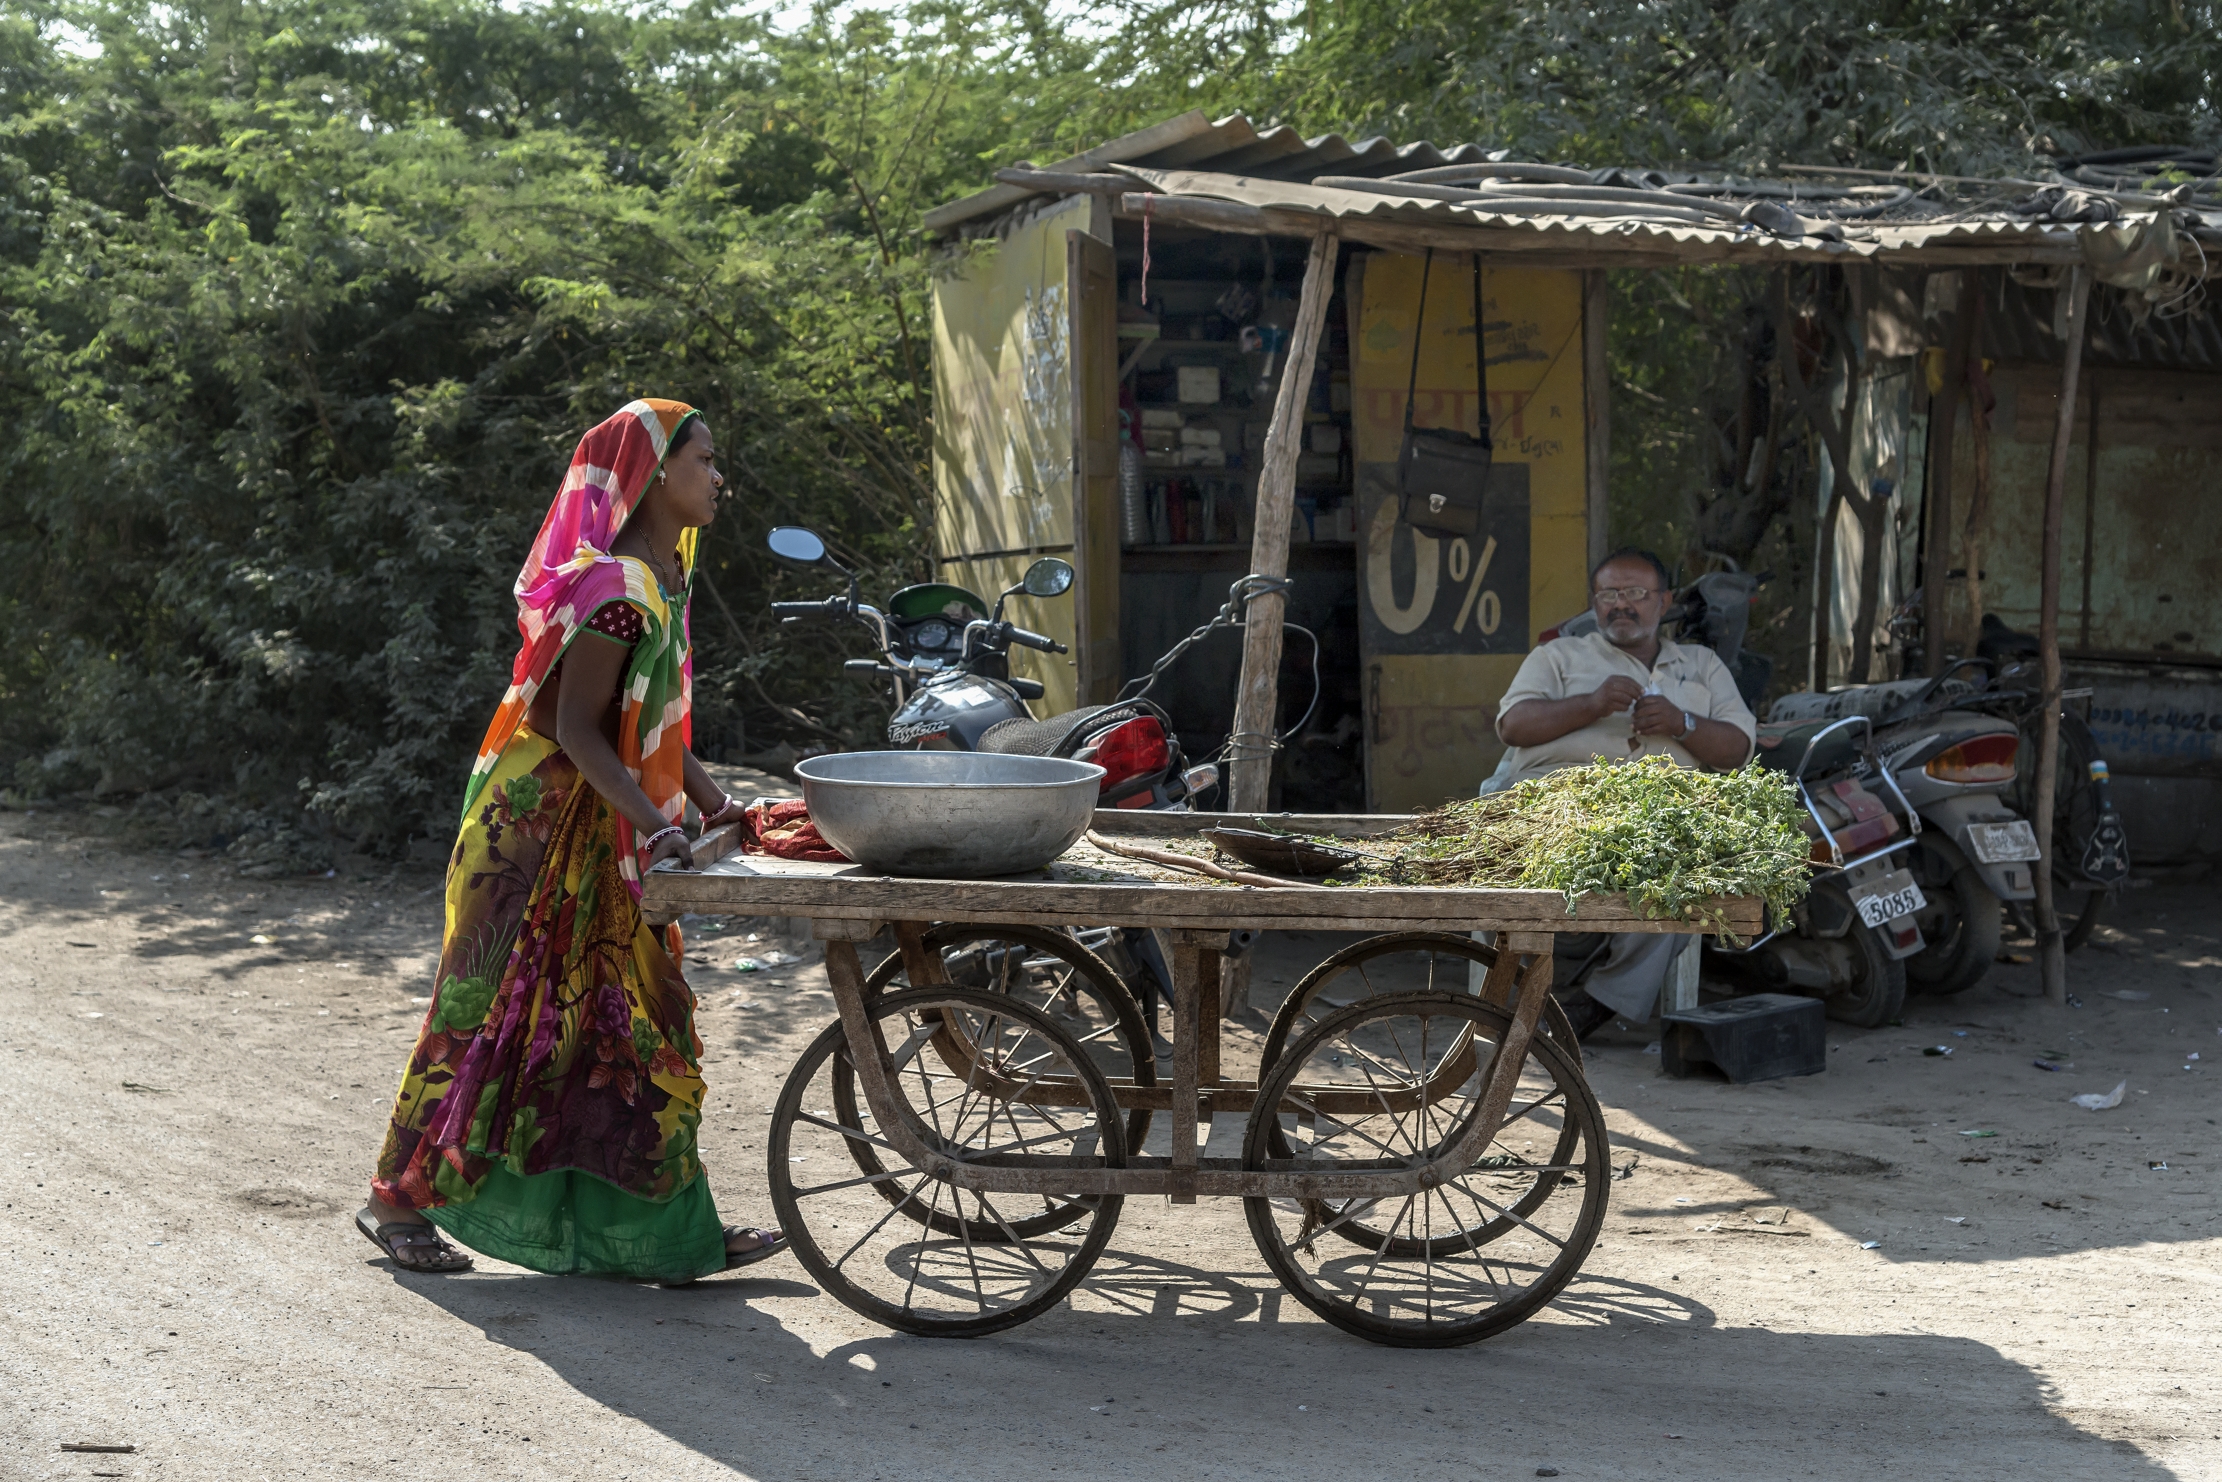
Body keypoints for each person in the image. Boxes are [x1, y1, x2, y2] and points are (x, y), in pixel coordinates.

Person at [355, 399, 786, 1280]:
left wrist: (716, 805)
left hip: (603, 825)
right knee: (481, 1018)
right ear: (657, 473)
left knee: (620, 1026)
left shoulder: (660, 577)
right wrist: (664, 824)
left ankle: (666, 1235)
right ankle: (394, 1201)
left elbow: (652, 730)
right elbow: (579, 730)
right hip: (537, 832)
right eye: (705, 460)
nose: (718, 478)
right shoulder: (619, 591)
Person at [1491, 548, 1758, 1037]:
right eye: (1609, 594)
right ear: (1594, 603)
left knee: (1688, 872)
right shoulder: (1558, 656)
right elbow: (1513, 726)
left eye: (1635, 593)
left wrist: (1684, 723)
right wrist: (1589, 705)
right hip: (1557, 803)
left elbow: (1737, 749)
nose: (1621, 605)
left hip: (1659, 815)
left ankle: (1600, 1000)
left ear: (1664, 601)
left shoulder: (1701, 664)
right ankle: (1532, 993)